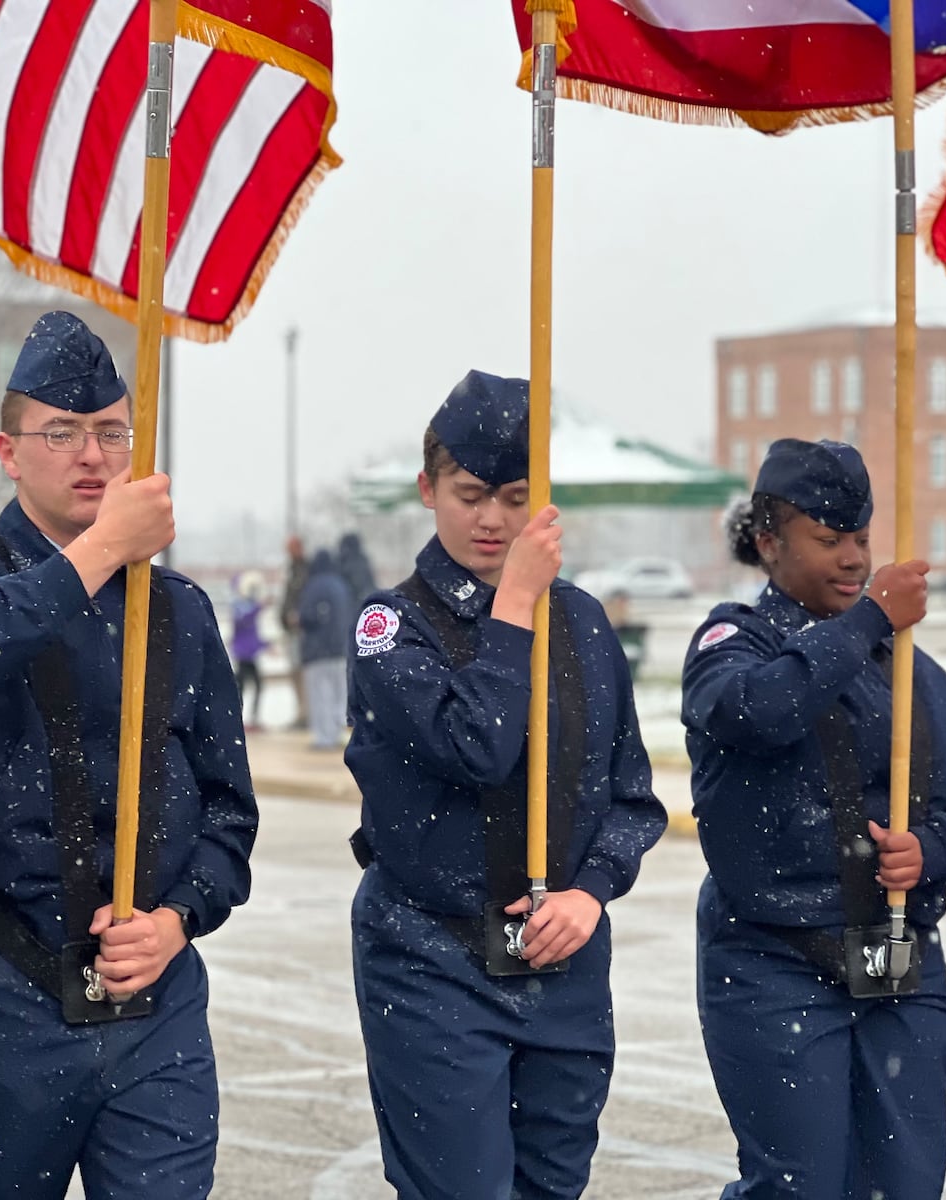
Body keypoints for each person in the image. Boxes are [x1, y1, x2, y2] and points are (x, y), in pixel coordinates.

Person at [0, 311, 258, 1199]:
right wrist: (99, 553)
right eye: (61, 433)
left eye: (111, 433)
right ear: (9, 451)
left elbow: (228, 808)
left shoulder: (177, 608)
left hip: (155, 999)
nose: (92, 454)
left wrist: (178, 919)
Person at [345, 369, 666, 1199]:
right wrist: (514, 604)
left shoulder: (585, 622)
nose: (492, 519)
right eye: (470, 493)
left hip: (562, 962)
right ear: (428, 489)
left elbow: (632, 796)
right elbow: (475, 746)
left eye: (515, 495)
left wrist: (591, 893)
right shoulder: (391, 627)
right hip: (432, 957)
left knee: (551, 1188)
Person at [681, 438, 946, 1199]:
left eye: (862, 538)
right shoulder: (732, 642)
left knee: (904, 1184)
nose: (852, 558)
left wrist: (935, 850)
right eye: (828, 538)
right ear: (769, 541)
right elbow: (758, 710)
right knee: (799, 1186)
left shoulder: (907, 666)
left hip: (900, 964)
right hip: (776, 961)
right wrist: (868, 620)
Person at [297, 547, 354, 750]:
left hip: (317, 651)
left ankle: (324, 737)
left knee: (320, 695)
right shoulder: (341, 585)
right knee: (339, 694)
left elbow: (307, 616)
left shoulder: (313, 587)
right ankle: (338, 732)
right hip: (341, 650)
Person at [230, 570, 268, 731]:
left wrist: (266, 645)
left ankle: (253, 717)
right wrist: (258, 608)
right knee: (243, 688)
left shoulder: (249, 605)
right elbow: (243, 622)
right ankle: (240, 718)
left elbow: (253, 634)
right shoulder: (239, 605)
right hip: (243, 655)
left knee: (256, 686)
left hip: (250, 655)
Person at [280, 535, 310, 729]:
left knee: (302, 672)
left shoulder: (304, 570)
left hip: (300, 628)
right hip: (291, 629)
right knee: (296, 672)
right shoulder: (294, 570)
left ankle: (305, 714)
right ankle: (302, 712)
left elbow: (301, 596)